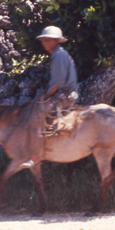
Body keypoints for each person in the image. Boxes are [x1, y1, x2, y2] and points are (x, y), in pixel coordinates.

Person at [21, 26, 78, 167]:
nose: (45, 43)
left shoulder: (58, 55)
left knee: (37, 114)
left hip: (65, 95)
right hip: (65, 93)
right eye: (43, 41)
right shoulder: (58, 54)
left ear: (57, 41)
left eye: (48, 40)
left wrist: (46, 96)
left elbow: (57, 82)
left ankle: (36, 156)